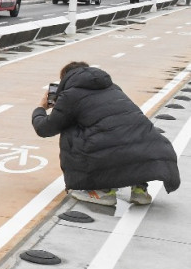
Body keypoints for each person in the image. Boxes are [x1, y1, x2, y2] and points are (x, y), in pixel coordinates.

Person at [31, 60, 180, 207]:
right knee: (125, 131)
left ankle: (103, 191)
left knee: (72, 131)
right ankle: (140, 190)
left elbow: (46, 129)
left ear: (65, 79)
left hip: (110, 151)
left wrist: (40, 108)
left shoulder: (70, 95)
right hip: (150, 145)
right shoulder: (113, 87)